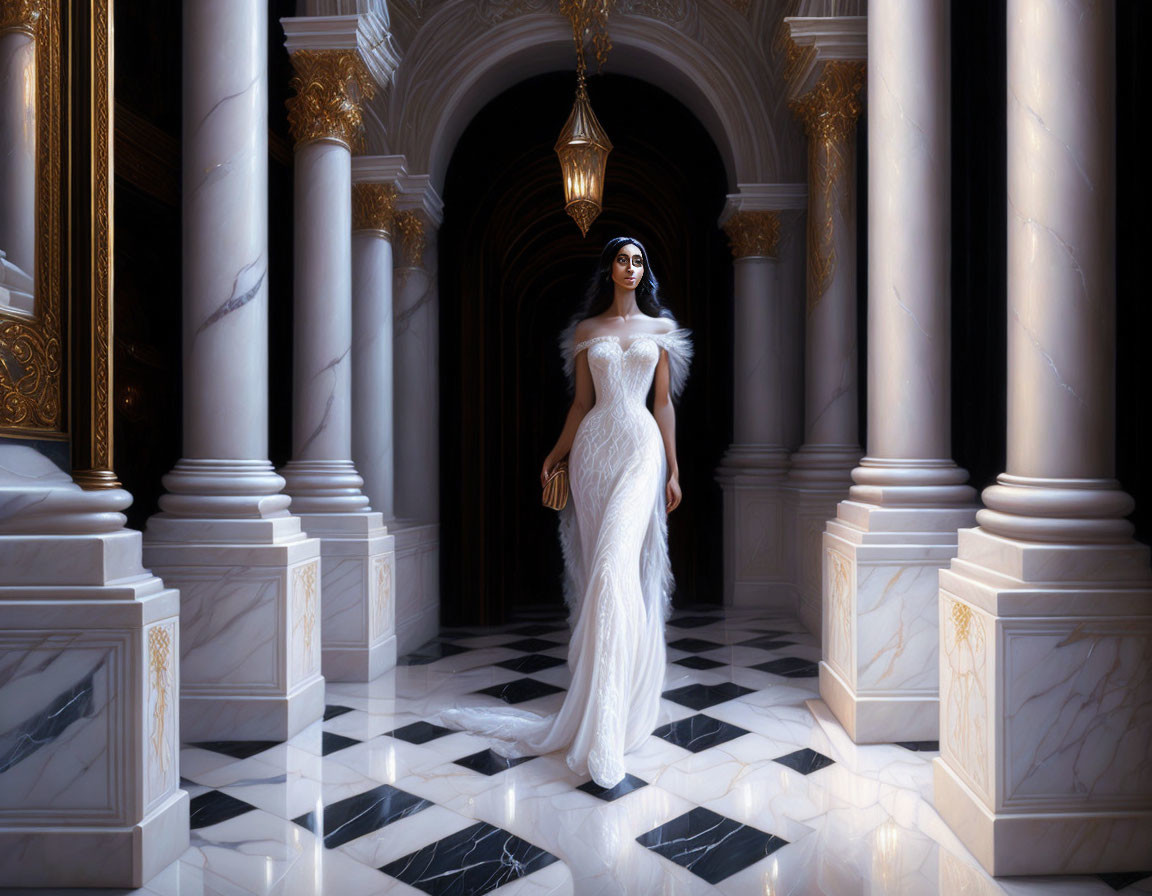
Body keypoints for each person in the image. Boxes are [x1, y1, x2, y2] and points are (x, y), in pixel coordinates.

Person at [440, 236, 691, 788]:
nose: (631, 268)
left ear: (643, 271)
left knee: (613, 569)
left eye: (639, 261)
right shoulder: (586, 332)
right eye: (622, 260)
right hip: (595, 453)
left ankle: (609, 730)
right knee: (601, 574)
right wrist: (557, 453)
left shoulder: (660, 331)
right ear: (609, 270)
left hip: (641, 450)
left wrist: (672, 469)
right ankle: (600, 704)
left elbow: (663, 402)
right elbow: (581, 404)